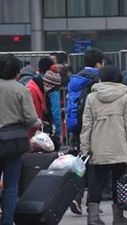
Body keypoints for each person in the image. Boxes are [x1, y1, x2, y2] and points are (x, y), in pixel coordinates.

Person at [80, 65, 127, 225]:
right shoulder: (125, 97)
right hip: (120, 146)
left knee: (96, 181)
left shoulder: (92, 97)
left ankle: (92, 217)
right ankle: (118, 217)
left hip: (98, 146)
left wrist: (84, 147)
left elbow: (87, 124)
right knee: (119, 182)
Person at [0, 54, 40, 225]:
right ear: (17, 72)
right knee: (10, 187)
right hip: (12, 142)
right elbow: (30, 118)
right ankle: (7, 221)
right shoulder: (20, 89)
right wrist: (38, 122)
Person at [67, 48, 104, 214]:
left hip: (76, 125)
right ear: (98, 63)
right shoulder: (98, 78)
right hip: (94, 124)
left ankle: (76, 196)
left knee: (80, 162)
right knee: (95, 164)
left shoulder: (75, 79)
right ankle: (92, 203)